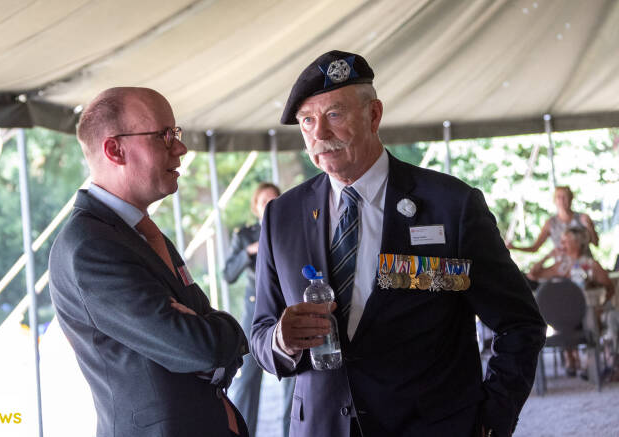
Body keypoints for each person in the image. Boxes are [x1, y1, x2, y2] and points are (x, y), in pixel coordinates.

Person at [250, 51, 546, 437]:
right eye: (308, 121)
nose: (319, 134)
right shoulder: (282, 216)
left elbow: (520, 323)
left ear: (374, 115)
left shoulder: (449, 205)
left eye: (334, 115)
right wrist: (280, 340)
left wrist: (492, 420)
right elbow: (260, 331)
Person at [49, 87, 249, 437]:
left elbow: (203, 323)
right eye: (164, 136)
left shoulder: (138, 231)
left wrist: (213, 331)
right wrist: (227, 334)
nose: (181, 148)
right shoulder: (91, 246)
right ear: (115, 149)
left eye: (176, 133)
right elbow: (200, 349)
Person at [225, 183, 295, 437]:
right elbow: (228, 274)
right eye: (265, 201)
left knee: (293, 383)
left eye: (276, 199)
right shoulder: (244, 235)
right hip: (255, 317)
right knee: (246, 383)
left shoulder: (292, 229)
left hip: (286, 315)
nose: (271, 204)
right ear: (256, 207)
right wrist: (249, 250)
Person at [528, 227, 614, 377]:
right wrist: (547, 256)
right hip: (564, 316)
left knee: (591, 316)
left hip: (587, 313)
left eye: (565, 240)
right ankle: (570, 358)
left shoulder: (590, 265)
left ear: (578, 242)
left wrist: (601, 305)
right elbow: (532, 276)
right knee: (560, 314)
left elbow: (609, 288)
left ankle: (590, 363)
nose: (561, 244)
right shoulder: (561, 266)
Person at [507, 185, 599, 258]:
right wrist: (514, 247)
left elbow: (596, 243)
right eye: (559, 197)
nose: (562, 200)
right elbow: (535, 248)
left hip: (585, 264)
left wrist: (590, 227)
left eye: (565, 197)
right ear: (554, 200)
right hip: (563, 268)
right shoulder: (551, 223)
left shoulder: (582, 218)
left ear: (571, 199)